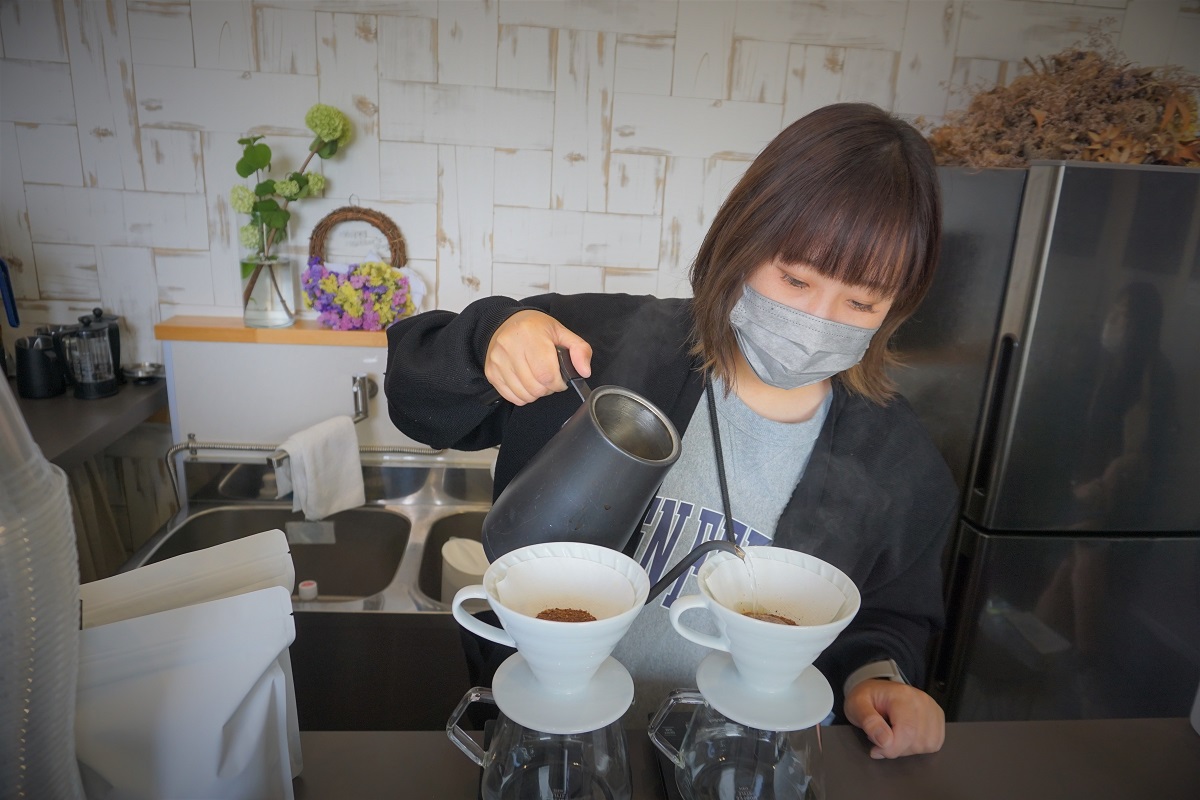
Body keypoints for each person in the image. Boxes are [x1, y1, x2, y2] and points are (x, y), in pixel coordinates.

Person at [385, 102, 956, 759]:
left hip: (739, 763)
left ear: (896, 306)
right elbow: (415, 401)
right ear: (742, 243)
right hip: (554, 742)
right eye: (796, 278)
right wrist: (489, 337)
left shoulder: (896, 458)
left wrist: (877, 679)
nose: (817, 321)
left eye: (861, 301)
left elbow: (888, 615)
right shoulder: (603, 348)